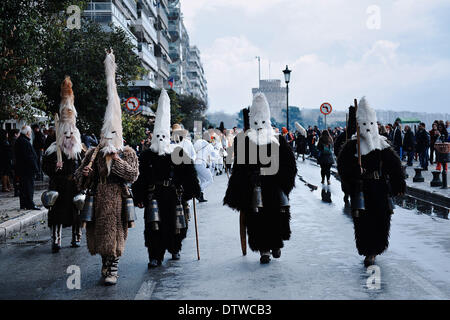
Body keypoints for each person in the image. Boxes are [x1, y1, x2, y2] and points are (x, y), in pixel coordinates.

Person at [75, 51, 139, 286]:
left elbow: (132, 174)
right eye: (106, 133)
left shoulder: (127, 152)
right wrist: (84, 175)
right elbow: (79, 179)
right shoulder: (93, 153)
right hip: (99, 199)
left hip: (119, 200)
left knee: (116, 237)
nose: (109, 137)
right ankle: (106, 261)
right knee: (100, 237)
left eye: (113, 133)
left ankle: (113, 266)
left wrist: (118, 160)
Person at [224, 93, 297, 264]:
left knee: (276, 217)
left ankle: (276, 245)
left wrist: (280, 181)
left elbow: (289, 165)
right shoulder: (244, 142)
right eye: (256, 123)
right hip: (253, 187)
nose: (259, 127)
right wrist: (239, 189)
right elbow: (239, 168)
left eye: (262, 123)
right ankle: (264, 250)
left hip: (273, 186)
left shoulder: (278, 141)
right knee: (256, 220)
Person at [133, 90, 200, 269]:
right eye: (158, 137)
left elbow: (189, 173)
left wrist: (195, 191)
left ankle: (174, 248)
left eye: (164, 137)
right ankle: (155, 256)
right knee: (153, 227)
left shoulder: (177, 153)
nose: (161, 140)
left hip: (173, 194)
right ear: (154, 138)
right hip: (154, 195)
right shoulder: (147, 155)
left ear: (168, 137)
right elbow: (140, 176)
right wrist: (138, 196)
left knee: (175, 225)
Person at [337, 97, 405, 267]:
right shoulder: (352, 146)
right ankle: (368, 251)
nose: (368, 129)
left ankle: (376, 249)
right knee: (363, 221)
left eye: (371, 125)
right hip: (361, 188)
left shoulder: (382, 145)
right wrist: (354, 172)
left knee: (381, 219)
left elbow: (395, 167)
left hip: (380, 187)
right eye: (364, 125)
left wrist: (398, 185)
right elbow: (342, 167)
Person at [42, 76, 84, 253]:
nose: (68, 136)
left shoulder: (79, 149)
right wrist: (54, 168)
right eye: (65, 133)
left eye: (70, 133)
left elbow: (84, 167)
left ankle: (76, 237)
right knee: (57, 215)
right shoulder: (53, 149)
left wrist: (85, 173)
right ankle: (56, 239)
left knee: (76, 213)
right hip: (58, 185)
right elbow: (45, 166)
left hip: (74, 186)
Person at [14, 126, 40, 210]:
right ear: (27, 133)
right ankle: (30, 204)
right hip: (27, 169)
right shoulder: (24, 141)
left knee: (23, 187)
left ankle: (24, 204)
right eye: (30, 132)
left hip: (22, 169)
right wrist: (36, 169)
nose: (31, 134)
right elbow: (29, 157)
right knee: (28, 187)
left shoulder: (20, 140)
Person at [193, 138, 215, 202]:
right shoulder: (209, 146)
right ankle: (198, 191)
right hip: (201, 163)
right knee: (210, 180)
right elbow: (213, 157)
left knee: (203, 180)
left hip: (196, 163)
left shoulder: (200, 146)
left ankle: (200, 196)